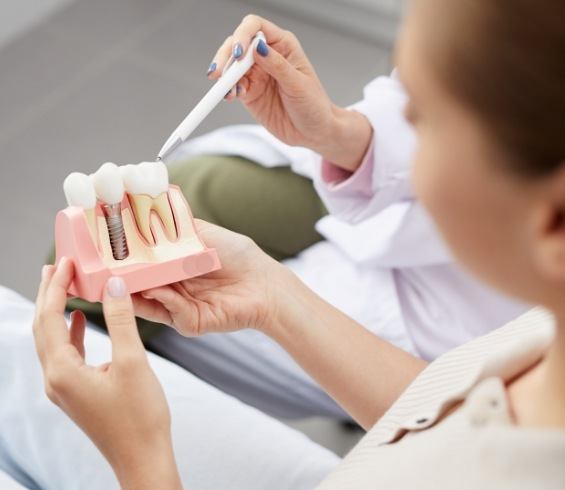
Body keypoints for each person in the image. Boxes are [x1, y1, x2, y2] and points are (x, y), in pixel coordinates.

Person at [29, 0, 565, 490]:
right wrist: (273, 296)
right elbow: (449, 416)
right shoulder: (539, 348)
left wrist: (142, 462)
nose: (400, 123)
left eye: (422, 117)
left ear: (553, 224)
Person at [61, 23, 529, 421]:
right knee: (193, 188)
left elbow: (446, 423)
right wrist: (336, 131)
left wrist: (274, 299)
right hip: (393, 206)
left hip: (438, 329)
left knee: (102, 304)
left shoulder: (509, 401)